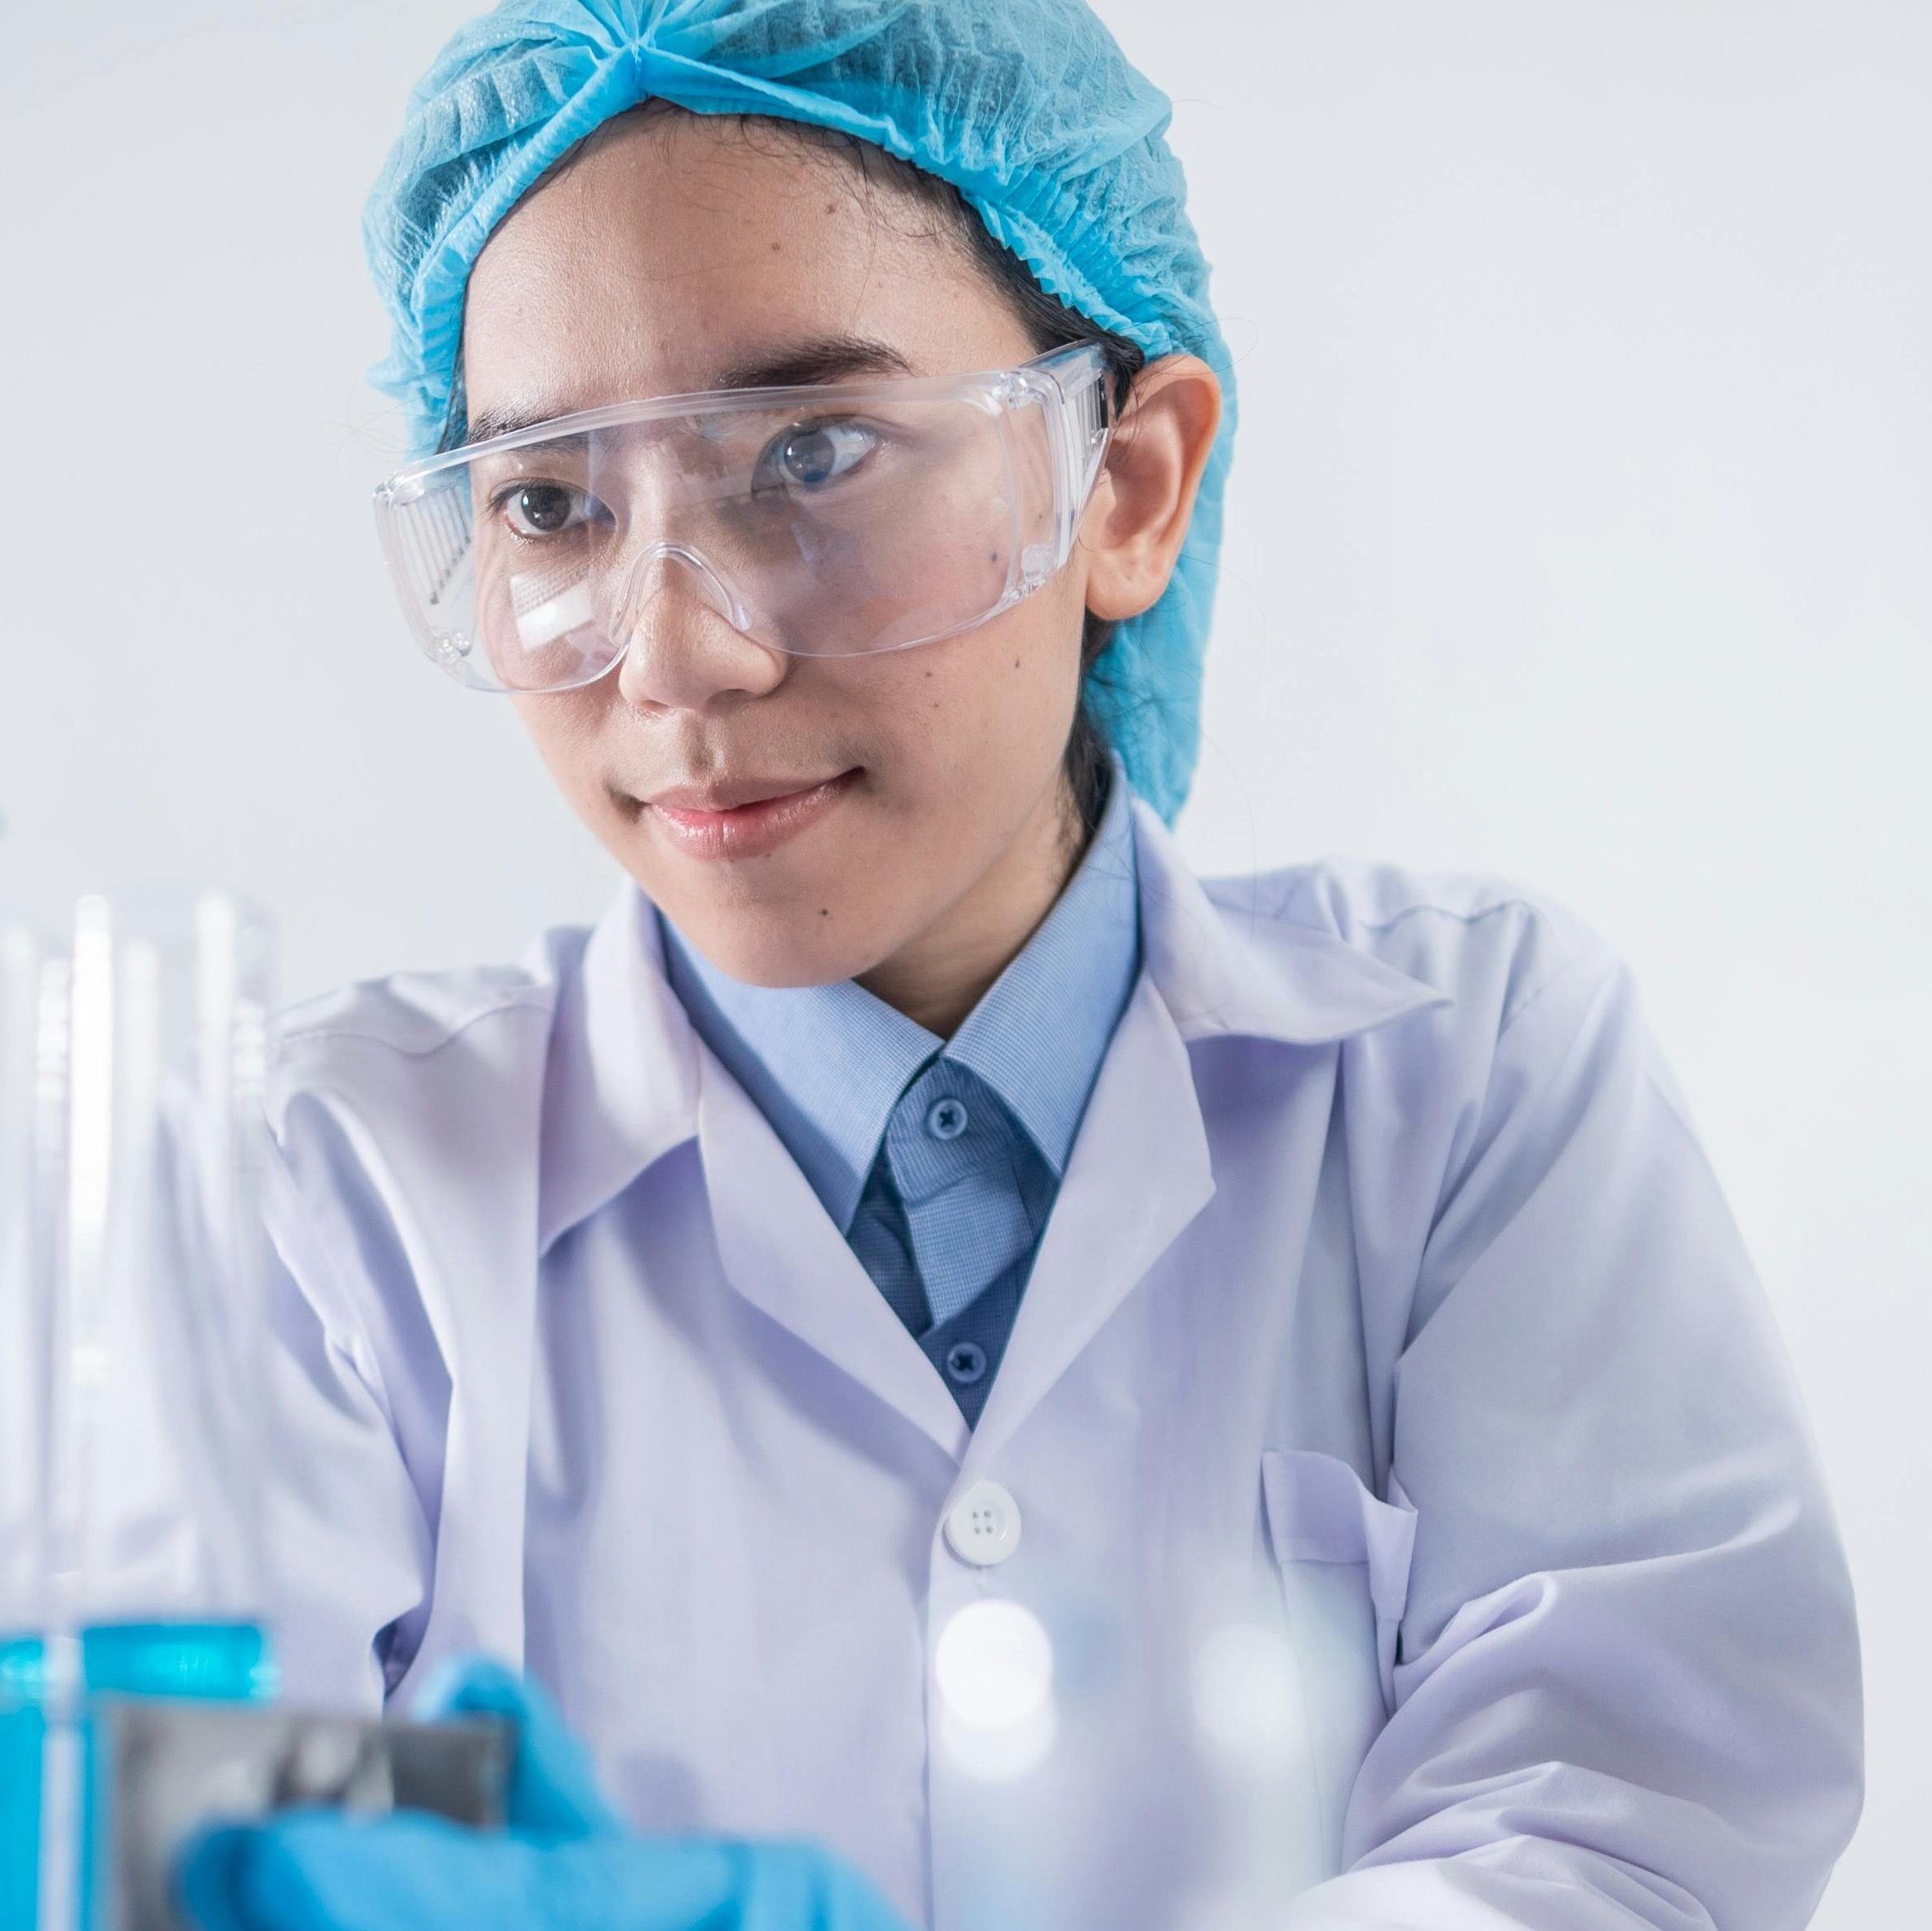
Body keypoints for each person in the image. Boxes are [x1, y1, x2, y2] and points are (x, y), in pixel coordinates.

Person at [180, 3, 1863, 1928]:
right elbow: (173, 1863)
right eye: (552, 500)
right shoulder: (322, 1194)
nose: (679, 658)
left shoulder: (1470, 1073)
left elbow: (1622, 1842)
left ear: (1126, 487)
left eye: (812, 453)